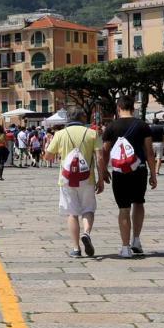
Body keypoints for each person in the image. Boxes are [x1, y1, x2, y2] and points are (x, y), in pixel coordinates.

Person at [99, 95, 158, 258]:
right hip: (139, 170)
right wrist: (153, 174)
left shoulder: (111, 127)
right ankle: (136, 240)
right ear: (133, 108)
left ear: (118, 108)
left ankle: (125, 248)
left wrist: (103, 170)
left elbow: (105, 151)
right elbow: (149, 152)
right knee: (139, 203)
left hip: (120, 172)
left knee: (123, 208)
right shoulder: (142, 126)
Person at [44, 106, 102, 257]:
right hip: (87, 178)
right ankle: (87, 233)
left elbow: (48, 157)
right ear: (83, 117)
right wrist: (101, 178)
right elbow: (100, 158)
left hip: (67, 179)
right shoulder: (92, 133)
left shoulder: (60, 134)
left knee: (72, 213)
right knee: (88, 209)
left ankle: (76, 249)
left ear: (68, 119)